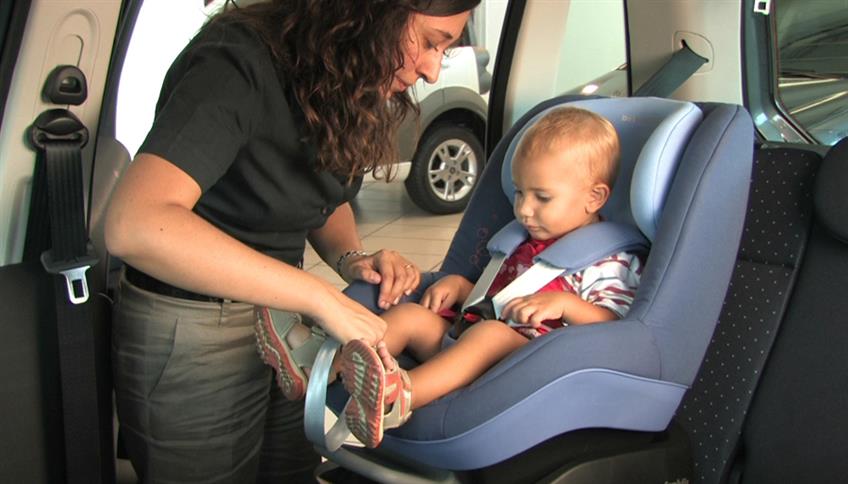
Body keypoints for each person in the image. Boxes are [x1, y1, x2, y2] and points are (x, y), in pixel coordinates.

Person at [104, 1, 480, 482]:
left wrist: (352, 259)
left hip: (280, 318)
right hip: (194, 327)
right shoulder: (237, 63)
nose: (431, 71)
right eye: (430, 42)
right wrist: (318, 297)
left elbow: (316, 196)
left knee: (291, 469)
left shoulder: (337, 76)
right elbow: (135, 222)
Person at [335, 106, 644, 447]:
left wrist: (566, 305)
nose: (524, 209)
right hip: (471, 339)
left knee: (492, 336)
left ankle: (398, 397)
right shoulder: (524, 242)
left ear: (594, 197)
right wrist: (465, 287)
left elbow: (616, 329)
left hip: (528, 363)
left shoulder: (611, 262)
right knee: (410, 316)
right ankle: (332, 369)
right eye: (519, 193)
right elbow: (497, 299)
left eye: (542, 197)